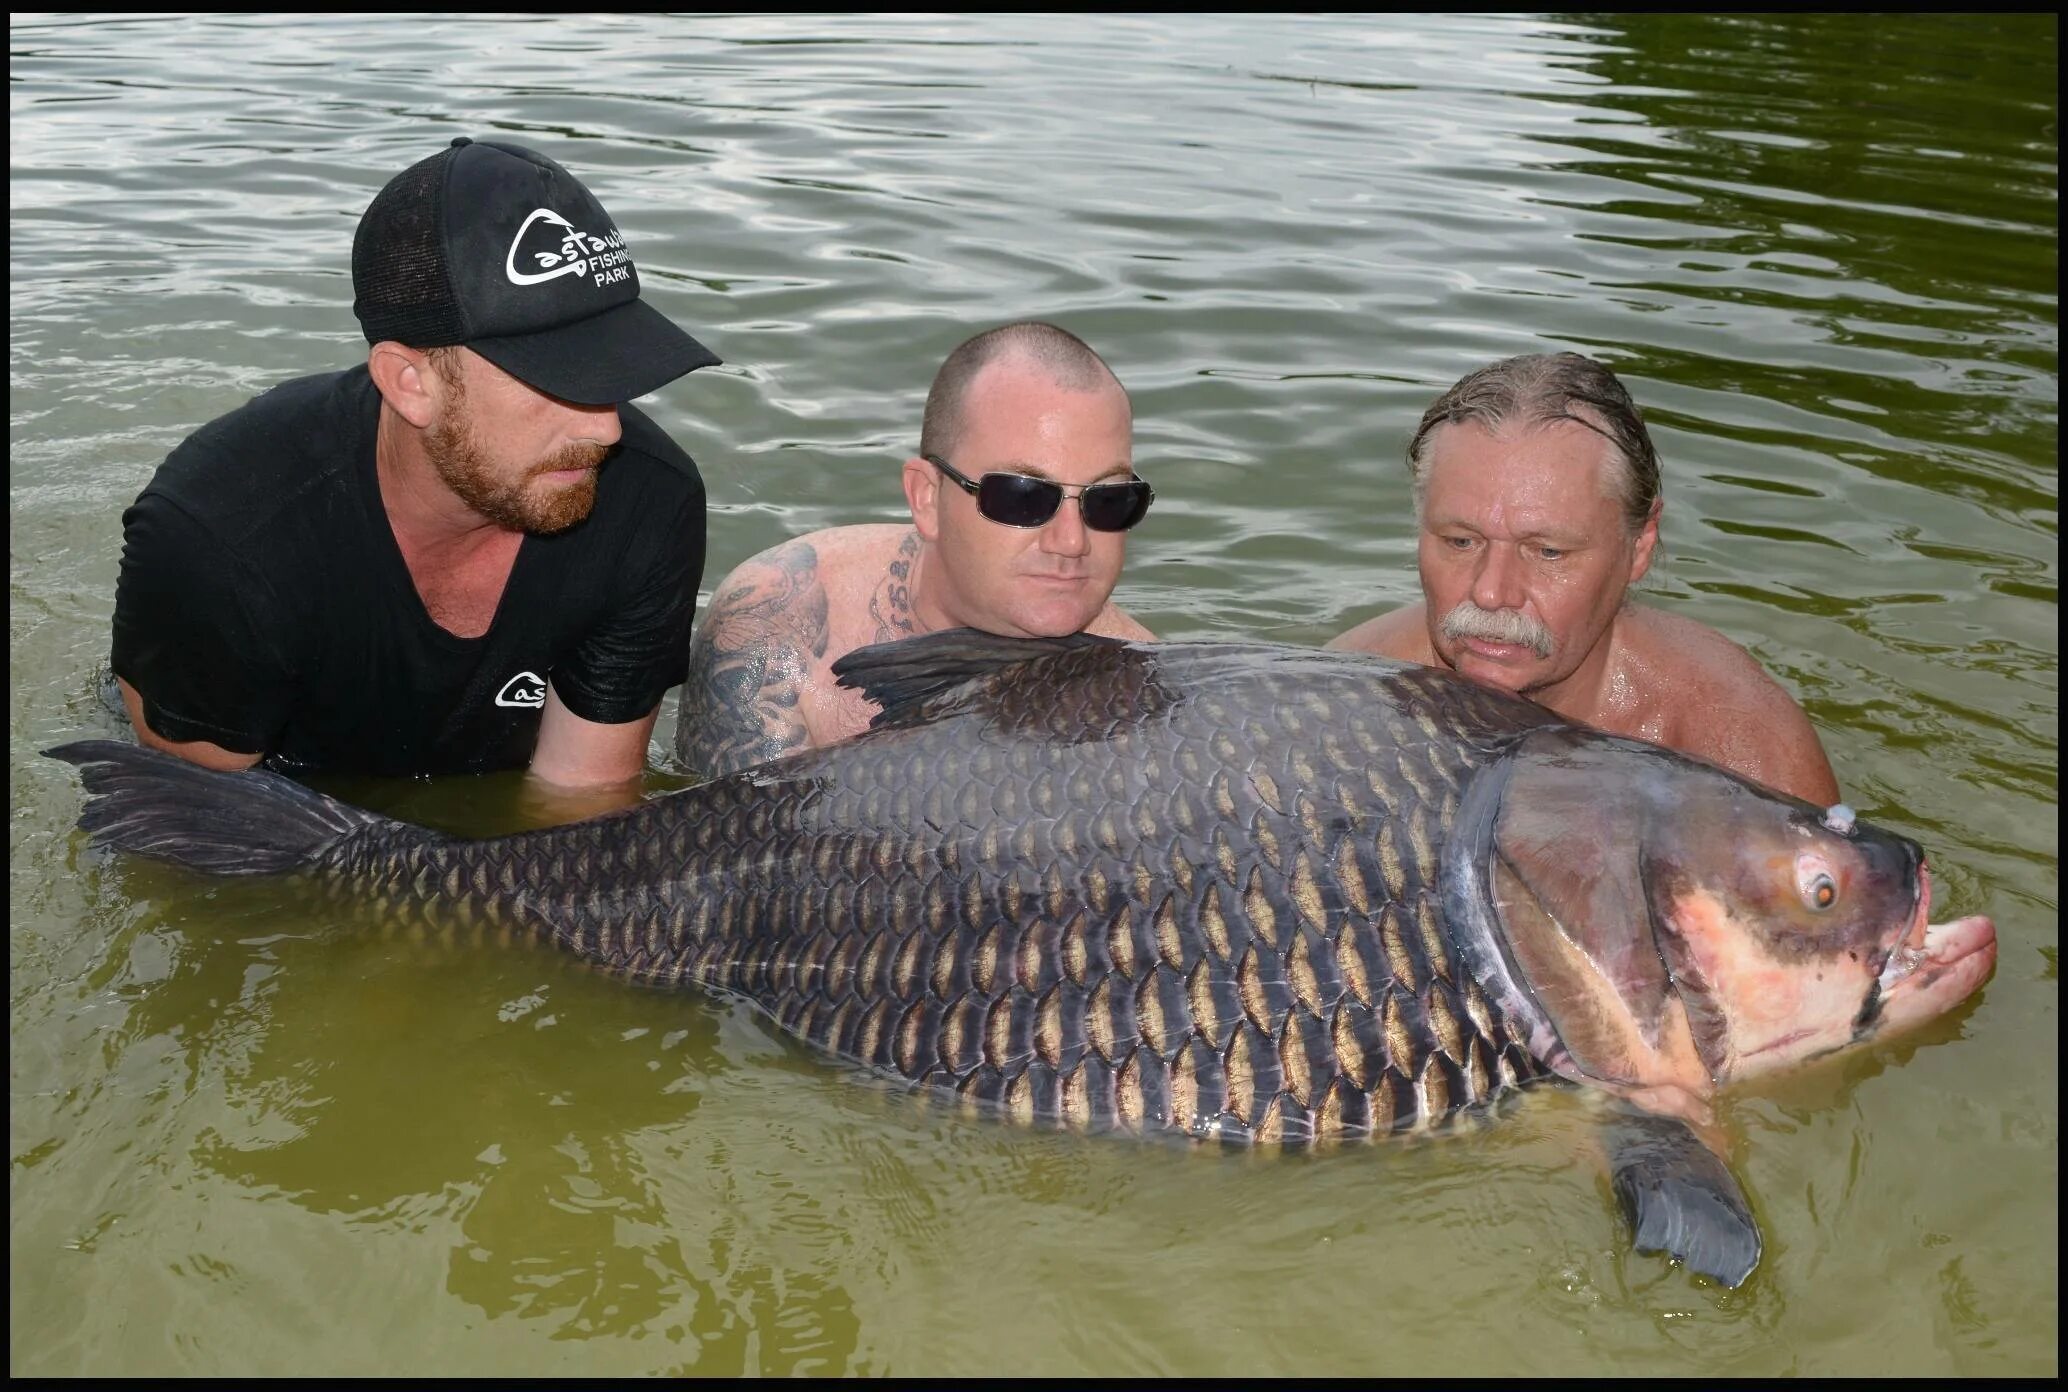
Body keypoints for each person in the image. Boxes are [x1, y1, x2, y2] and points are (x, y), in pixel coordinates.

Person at [108, 136, 720, 802]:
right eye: (560, 380)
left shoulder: (650, 502)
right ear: (409, 382)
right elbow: (200, 841)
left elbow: (579, 800)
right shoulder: (222, 540)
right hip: (270, 794)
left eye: (615, 372)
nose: (605, 429)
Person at [1329, 351, 1842, 806]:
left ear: (1638, 547)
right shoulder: (1346, 706)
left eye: (1548, 551)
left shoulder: (1737, 754)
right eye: (1461, 541)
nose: (1490, 592)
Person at [673, 320, 1155, 778]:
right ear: (927, 498)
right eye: (1023, 497)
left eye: (1109, 501)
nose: (1071, 541)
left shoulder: (1150, 694)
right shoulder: (775, 632)